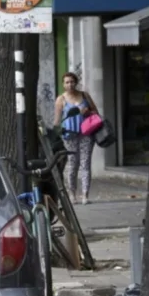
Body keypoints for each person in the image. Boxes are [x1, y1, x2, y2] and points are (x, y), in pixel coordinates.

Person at [53, 72, 98, 204]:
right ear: (63, 84)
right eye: (67, 82)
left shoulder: (84, 95)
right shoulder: (61, 99)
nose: (70, 84)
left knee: (85, 164)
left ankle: (85, 195)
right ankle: (72, 194)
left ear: (76, 82)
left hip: (86, 134)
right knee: (72, 164)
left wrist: (88, 112)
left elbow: (96, 112)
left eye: (72, 81)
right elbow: (57, 120)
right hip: (69, 136)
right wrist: (56, 135)